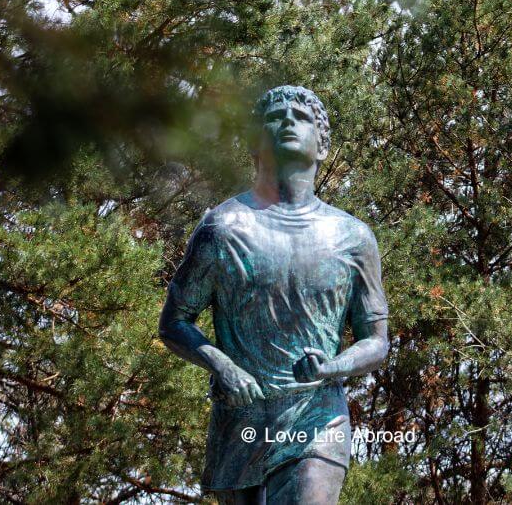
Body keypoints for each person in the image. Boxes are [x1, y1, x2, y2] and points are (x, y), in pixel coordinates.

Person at [158, 85, 389, 504]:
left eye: (301, 116)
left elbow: (376, 340)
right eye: (274, 116)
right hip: (240, 420)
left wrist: (333, 367)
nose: (287, 120)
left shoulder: (353, 237)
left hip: (317, 417)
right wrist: (222, 365)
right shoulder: (223, 228)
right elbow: (174, 321)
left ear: (322, 146)